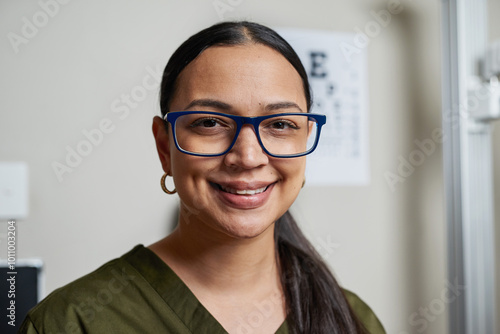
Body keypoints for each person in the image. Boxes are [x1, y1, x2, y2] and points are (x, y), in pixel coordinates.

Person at [19, 21, 385, 334]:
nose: (248, 156)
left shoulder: (353, 319)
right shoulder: (72, 321)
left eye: (279, 124)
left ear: (305, 142)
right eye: (210, 122)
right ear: (165, 147)